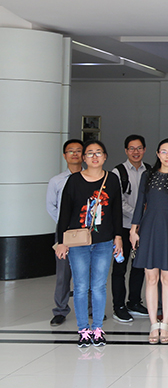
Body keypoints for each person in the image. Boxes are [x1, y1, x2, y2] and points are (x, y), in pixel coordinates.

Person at [55, 140, 124, 347]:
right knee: (81, 286)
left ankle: (98, 329)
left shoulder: (112, 179)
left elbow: (116, 211)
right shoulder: (74, 180)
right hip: (78, 242)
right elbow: (64, 213)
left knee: (99, 286)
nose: (94, 156)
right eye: (90, 153)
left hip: (104, 241)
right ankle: (84, 330)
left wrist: (118, 236)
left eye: (98, 153)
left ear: (105, 156)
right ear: (84, 158)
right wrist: (61, 242)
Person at [130, 138, 168, 345]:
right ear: (157, 154)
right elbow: (140, 203)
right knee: (151, 278)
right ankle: (153, 324)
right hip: (149, 230)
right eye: (164, 151)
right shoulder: (148, 175)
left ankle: (166, 324)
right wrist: (134, 230)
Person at [110, 134, 149, 322]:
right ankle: (118, 306)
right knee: (120, 268)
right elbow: (117, 202)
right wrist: (138, 215)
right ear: (126, 151)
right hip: (124, 228)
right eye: (132, 148)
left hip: (144, 229)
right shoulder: (118, 172)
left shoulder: (150, 171)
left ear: (144, 150)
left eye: (139, 148)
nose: (136, 152)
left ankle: (134, 301)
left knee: (139, 266)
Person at [46, 139, 83, 327]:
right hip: (65, 233)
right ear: (64, 155)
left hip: (86, 232)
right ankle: (60, 310)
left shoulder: (90, 178)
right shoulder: (57, 181)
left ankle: (90, 308)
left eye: (78, 151)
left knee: (87, 273)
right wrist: (64, 226)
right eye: (71, 151)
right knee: (63, 274)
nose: (75, 154)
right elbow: (51, 206)